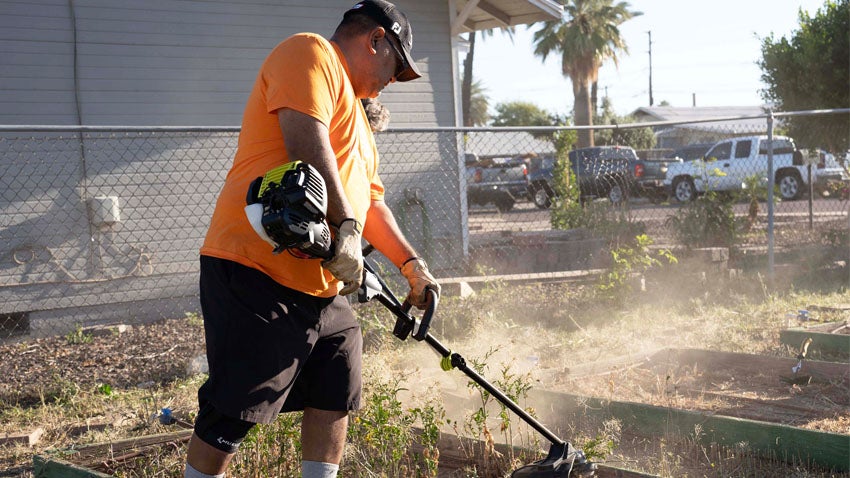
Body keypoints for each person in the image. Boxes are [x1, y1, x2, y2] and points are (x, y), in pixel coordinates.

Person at [184, 1, 440, 477]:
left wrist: (411, 267)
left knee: (336, 390)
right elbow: (307, 139)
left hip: (323, 283)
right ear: (376, 40)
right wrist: (346, 231)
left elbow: (373, 204)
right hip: (256, 268)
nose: (393, 80)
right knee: (235, 409)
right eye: (395, 66)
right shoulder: (310, 53)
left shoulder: (362, 123)